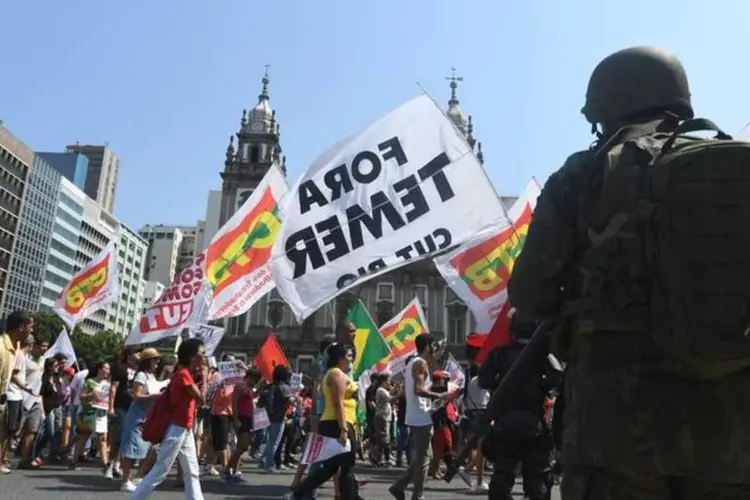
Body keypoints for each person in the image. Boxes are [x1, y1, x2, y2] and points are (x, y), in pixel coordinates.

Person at [508, 46, 750, 499]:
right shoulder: (734, 174)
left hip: (615, 430)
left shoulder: (586, 173)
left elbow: (530, 293)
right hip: (731, 433)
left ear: (606, 109)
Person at [476, 315, 553, 500]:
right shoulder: (543, 355)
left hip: (507, 424)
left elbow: (483, 380)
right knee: (537, 480)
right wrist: (540, 386)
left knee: (502, 478)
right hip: (533, 424)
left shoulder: (500, 354)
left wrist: (501, 384)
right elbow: (557, 378)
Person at [284, 343, 362, 500]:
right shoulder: (336, 375)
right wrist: (344, 429)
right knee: (339, 465)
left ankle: (349, 495)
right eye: (348, 356)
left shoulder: (340, 374)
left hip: (344, 422)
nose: (351, 359)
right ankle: (298, 492)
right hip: (336, 423)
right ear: (339, 358)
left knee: (337, 466)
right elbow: (338, 402)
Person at [131, 338, 206, 500]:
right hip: (177, 428)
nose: (204, 357)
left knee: (192, 470)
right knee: (160, 470)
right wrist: (205, 377)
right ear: (193, 357)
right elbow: (201, 399)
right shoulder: (184, 375)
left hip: (184, 428)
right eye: (202, 353)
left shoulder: (185, 374)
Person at [389, 333, 458, 500]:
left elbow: (409, 389)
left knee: (424, 457)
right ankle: (416, 495)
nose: (435, 349)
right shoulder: (419, 364)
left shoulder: (414, 362)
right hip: (420, 418)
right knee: (424, 460)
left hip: (418, 415)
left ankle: (400, 486)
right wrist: (439, 396)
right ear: (428, 346)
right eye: (433, 346)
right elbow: (417, 390)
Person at [119, 347, 161, 492]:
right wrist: (153, 396)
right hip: (137, 414)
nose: (157, 362)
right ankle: (125, 480)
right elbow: (136, 396)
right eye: (155, 359)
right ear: (148, 361)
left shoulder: (151, 376)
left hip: (147, 415)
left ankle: (137, 477)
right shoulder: (141, 375)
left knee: (147, 447)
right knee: (130, 447)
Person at [0, 311, 34, 474]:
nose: (31, 331)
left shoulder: (15, 347)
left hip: (4, 400)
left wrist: (26, 387)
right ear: (21, 327)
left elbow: (10, 376)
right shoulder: (1, 346)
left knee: (6, 432)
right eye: (30, 327)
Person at [69, 361, 112, 471]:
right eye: (106, 368)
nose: (108, 371)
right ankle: (74, 462)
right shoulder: (90, 381)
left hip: (102, 413)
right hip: (90, 412)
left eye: (109, 369)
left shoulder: (109, 384)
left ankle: (105, 465)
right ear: (99, 369)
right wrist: (92, 395)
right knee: (83, 437)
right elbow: (82, 397)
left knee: (103, 438)